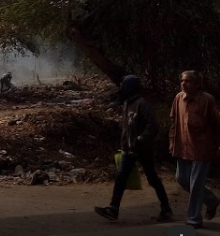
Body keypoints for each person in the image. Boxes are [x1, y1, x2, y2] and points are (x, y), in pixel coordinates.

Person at [94, 75, 172, 223]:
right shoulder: (127, 103)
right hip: (129, 149)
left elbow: (153, 126)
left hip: (143, 149)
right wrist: (125, 145)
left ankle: (166, 209)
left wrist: (141, 138)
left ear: (130, 87)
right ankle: (113, 209)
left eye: (124, 85)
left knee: (152, 179)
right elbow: (127, 128)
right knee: (121, 178)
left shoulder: (142, 104)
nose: (121, 88)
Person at [169, 70, 220, 229]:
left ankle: (193, 218)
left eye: (189, 81)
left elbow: (217, 124)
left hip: (202, 147)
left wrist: (217, 145)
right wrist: (172, 141)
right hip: (183, 146)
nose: (184, 84)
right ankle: (211, 200)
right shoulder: (178, 98)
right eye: (183, 81)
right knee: (182, 179)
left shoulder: (207, 100)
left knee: (196, 183)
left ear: (198, 84)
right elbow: (174, 121)